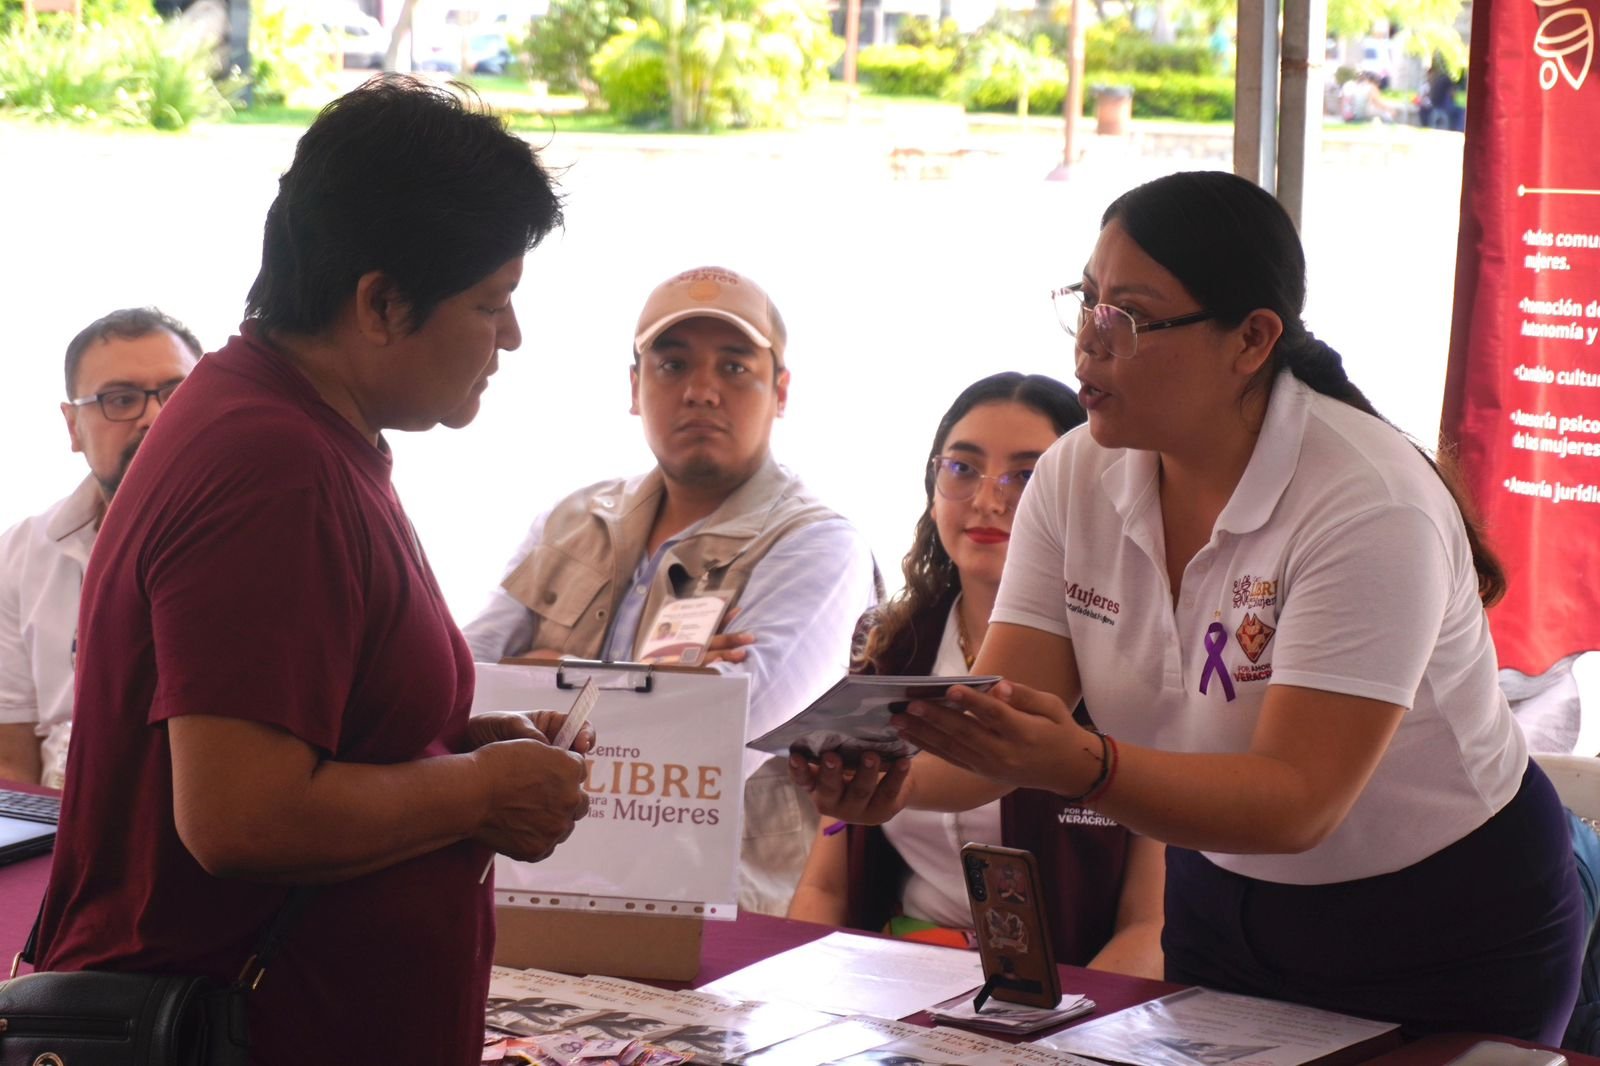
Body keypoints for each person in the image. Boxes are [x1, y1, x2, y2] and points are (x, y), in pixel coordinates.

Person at [795, 171, 1584, 1043]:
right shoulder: (1076, 475)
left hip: (1441, 923)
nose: (1087, 348)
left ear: (1251, 339)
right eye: (1085, 303)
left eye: (1126, 317)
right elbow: (999, 726)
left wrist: (1087, 764)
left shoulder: (1366, 502)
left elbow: (1297, 800)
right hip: (1217, 900)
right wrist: (891, 783)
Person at [36, 77, 591, 1066]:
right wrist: (474, 792)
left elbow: (272, 715)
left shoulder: (280, 422)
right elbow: (242, 815)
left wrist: (433, 740)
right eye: (490, 302)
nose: (510, 338)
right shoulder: (273, 468)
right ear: (379, 302)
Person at [465, 265, 879, 915]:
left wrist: (541, 679)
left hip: (714, 910)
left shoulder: (815, 546)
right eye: (672, 364)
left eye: (735, 367)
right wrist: (646, 686)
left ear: (782, 390)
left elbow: (727, 720)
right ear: (635, 387)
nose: (701, 392)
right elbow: (458, 679)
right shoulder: (575, 519)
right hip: (532, 885)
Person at [786, 373, 1165, 978]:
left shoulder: (1133, 663)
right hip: (891, 983)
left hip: (1067, 1003)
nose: (989, 500)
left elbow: (1151, 929)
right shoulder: (890, 647)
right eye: (963, 468)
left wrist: (1057, 1035)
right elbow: (825, 889)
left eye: (1028, 475)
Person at [0, 307, 201, 788]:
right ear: (73, 427)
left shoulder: (264, 544)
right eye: (121, 399)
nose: (154, 418)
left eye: (177, 395)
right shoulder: (22, 552)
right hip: (56, 824)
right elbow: (11, 762)